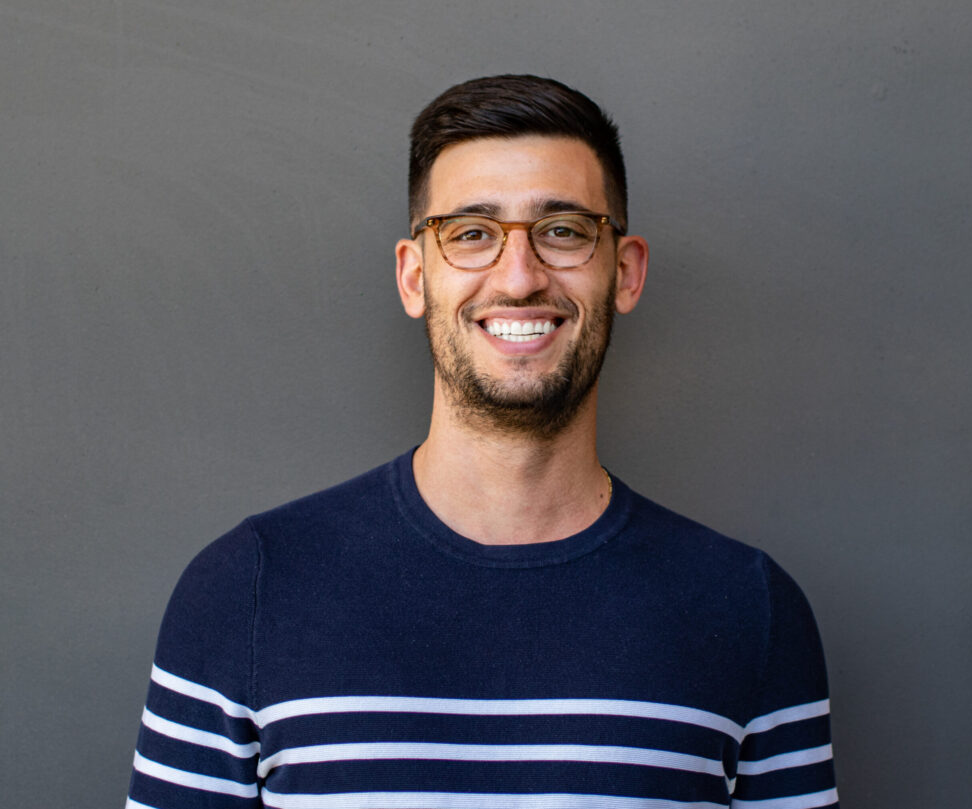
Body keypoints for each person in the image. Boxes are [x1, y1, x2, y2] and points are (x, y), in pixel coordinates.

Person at [126, 75, 839, 809]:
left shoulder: (747, 608)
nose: (520, 276)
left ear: (624, 272)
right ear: (414, 276)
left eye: (563, 230)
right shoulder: (247, 590)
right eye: (471, 233)